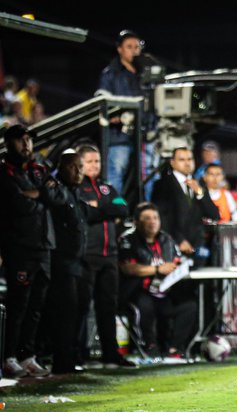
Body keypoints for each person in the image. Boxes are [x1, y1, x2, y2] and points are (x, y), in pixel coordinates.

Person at [0, 125, 67, 378]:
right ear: (9, 143)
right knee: (19, 303)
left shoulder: (39, 170)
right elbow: (18, 204)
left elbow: (60, 197)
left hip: (44, 245)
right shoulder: (4, 172)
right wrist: (43, 194)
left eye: (28, 139)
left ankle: (27, 355)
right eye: (20, 140)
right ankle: (9, 356)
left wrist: (38, 194)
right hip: (19, 245)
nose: (26, 144)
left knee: (37, 304)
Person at [76, 144, 136, 368]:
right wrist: (104, 209)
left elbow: (122, 208)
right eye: (90, 161)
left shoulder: (107, 188)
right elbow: (84, 213)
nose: (95, 165)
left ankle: (110, 354)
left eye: (97, 161)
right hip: (87, 255)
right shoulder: (77, 189)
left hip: (110, 255)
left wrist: (97, 208)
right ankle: (77, 353)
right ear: (80, 164)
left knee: (108, 306)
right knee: (82, 306)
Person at [118, 202, 196, 357]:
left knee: (189, 305)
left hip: (164, 291)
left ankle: (174, 349)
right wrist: (156, 270)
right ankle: (149, 346)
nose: (152, 221)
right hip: (138, 290)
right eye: (147, 218)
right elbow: (127, 268)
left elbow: (176, 260)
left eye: (155, 217)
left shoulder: (166, 239)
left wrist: (180, 265)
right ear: (136, 222)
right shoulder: (128, 239)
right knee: (145, 304)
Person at [45, 151, 94, 373]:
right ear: (62, 168)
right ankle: (61, 360)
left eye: (80, 167)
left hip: (78, 261)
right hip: (61, 261)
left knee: (79, 309)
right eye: (73, 167)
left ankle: (73, 356)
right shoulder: (57, 190)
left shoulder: (75, 194)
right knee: (65, 312)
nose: (78, 172)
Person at [98, 30, 150, 196]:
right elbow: (102, 102)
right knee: (115, 175)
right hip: (119, 136)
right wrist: (118, 117)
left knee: (147, 175)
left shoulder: (146, 74)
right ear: (119, 49)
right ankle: (116, 213)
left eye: (137, 47)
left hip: (145, 136)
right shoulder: (110, 74)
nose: (134, 50)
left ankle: (145, 214)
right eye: (129, 46)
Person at [151, 147, 220, 266]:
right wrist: (178, 241)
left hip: (198, 248)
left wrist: (200, 193)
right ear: (172, 162)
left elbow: (214, 214)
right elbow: (161, 218)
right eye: (182, 159)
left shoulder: (199, 185)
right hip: (174, 247)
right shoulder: (162, 185)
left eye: (190, 159)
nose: (187, 163)